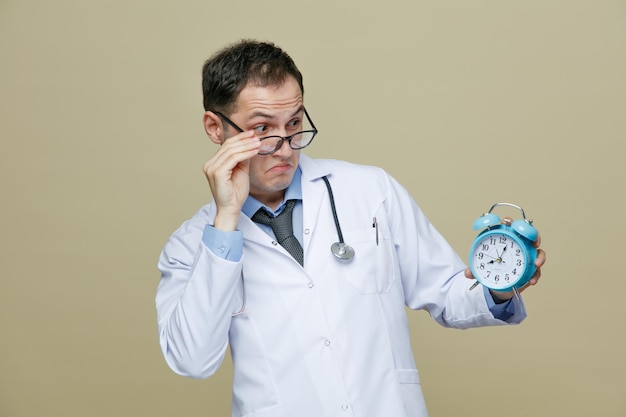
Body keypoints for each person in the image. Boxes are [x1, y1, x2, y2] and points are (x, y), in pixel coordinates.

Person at [155, 39, 546, 417]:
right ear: (214, 127)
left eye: (294, 123)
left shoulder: (370, 190)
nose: (287, 147)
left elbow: (446, 290)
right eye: (262, 130)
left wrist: (497, 285)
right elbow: (192, 358)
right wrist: (226, 221)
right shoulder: (192, 245)